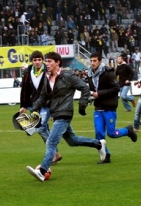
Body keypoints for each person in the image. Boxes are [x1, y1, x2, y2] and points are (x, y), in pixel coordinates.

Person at [26, 52, 107, 182]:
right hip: (56, 113)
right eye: (46, 62)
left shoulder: (68, 76)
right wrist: (34, 108)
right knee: (72, 140)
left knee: (51, 142)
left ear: (58, 62)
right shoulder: (47, 77)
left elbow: (84, 88)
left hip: (65, 113)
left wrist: (82, 104)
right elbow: (43, 96)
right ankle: (98, 144)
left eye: (50, 61)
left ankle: (42, 171)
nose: (47, 64)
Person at [88, 53, 137, 164]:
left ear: (100, 61)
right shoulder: (90, 74)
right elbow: (92, 90)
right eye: (91, 61)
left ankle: (127, 131)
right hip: (98, 108)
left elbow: (116, 88)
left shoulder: (108, 73)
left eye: (94, 61)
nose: (92, 63)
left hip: (109, 107)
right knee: (99, 134)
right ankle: (106, 155)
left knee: (111, 133)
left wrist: (99, 94)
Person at [19, 51, 62, 164]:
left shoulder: (48, 71)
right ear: (32, 61)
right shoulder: (28, 72)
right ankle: (55, 153)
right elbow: (25, 89)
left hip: (47, 103)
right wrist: (23, 105)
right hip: (35, 104)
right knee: (44, 129)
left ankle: (54, 153)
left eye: (39, 60)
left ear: (42, 60)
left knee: (41, 128)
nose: (37, 62)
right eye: (35, 60)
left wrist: (54, 111)